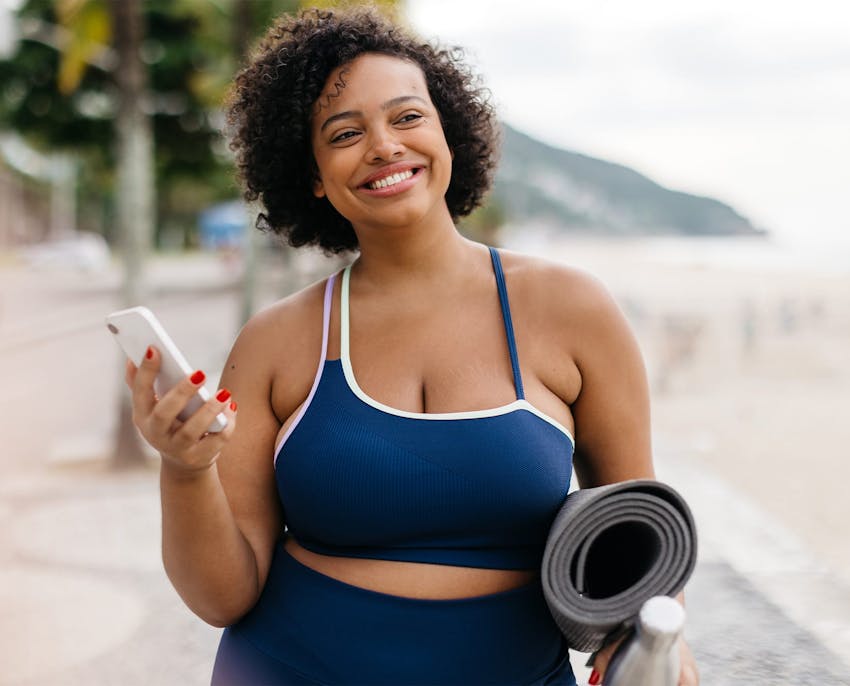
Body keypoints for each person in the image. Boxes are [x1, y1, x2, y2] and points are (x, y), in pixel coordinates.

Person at [125, 6, 699, 685]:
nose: (383, 146)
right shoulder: (276, 341)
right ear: (312, 174)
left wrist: (658, 636)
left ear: (447, 135)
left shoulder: (571, 309)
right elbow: (223, 595)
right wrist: (186, 472)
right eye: (345, 133)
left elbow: (641, 531)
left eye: (407, 118)